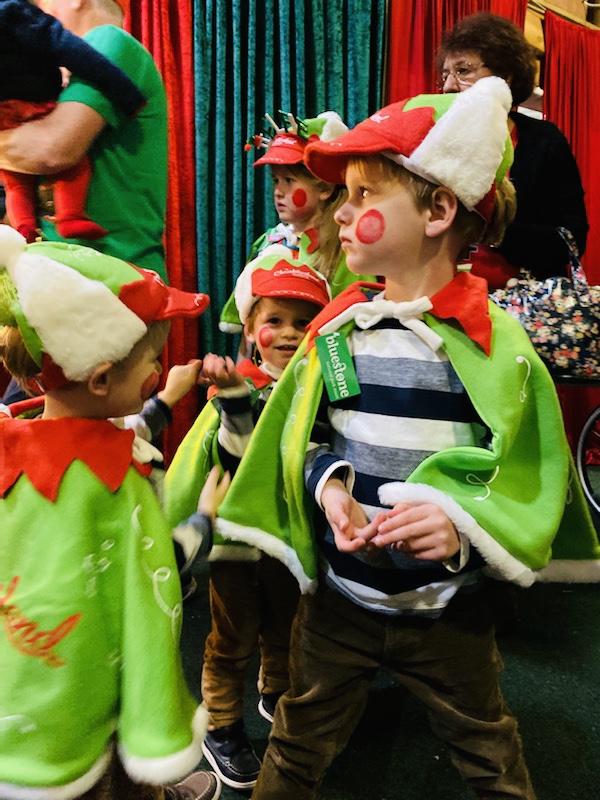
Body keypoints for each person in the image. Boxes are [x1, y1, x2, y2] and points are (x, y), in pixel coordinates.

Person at [210, 77, 600, 799]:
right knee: (295, 748)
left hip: (448, 615)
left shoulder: (497, 345)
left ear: (438, 209)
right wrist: (327, 490)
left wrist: (458, 521)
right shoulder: (338, 330)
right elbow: (304, 435)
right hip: (337, 604)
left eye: (362, 198)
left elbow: (519, 472)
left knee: (487, 752)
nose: (340, 210)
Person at [0, 226, 223, 800]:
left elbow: (108, 431)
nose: (158, 366)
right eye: (152, 357)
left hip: (22, 687)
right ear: (100, 378)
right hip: (85, 685)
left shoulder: (15, 441)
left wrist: (165, 400)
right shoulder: (117, 485)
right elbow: (158, 573)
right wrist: (203, 519)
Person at [164, 248, 331, 791]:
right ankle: (222, 726)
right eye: (274, 322)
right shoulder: (234, 390)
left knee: (287, 627)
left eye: (303, 323)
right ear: (251, 327)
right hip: (236, 545)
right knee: (231, 638)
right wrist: (235, 396)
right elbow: (228, 457)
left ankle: (275, 689)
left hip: (289, 541)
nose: (288, 333)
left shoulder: (320, 390)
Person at [5, 0, 168, 280]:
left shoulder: (109, 39)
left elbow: (51, 150)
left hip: (113, 279)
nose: (37, 10)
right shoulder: (62, 76)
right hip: (73, 277)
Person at [437, 10, 589, 291]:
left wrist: (493, 231)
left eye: (463, 71)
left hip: (523, 307)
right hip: (441, 301)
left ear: (504, 77)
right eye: (445, 74)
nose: (448, 86)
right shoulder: (430, 141)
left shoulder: (544, 140)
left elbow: (573, 238)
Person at [219, 110, 377, 339]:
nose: (278, 191)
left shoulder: (343, 250)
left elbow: (357, 322)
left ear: (324, 188)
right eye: (276, 180)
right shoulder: (268, 243)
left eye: (289, 181)